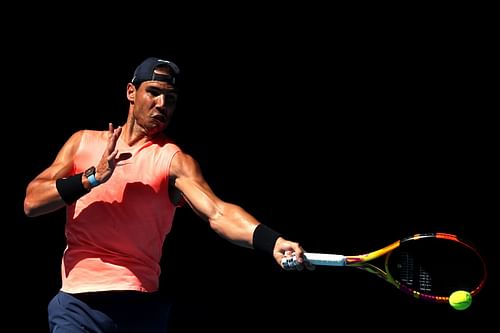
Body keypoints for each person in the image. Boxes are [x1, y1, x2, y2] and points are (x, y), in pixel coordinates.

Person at [23, 56, 314, 332]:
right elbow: (32, 201)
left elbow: (218, 212)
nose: (162, 104)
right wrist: (91, 178)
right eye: (153, 92)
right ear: (131, 92)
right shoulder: (83, 142)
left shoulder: (174, 161)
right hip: (78, 303)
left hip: (137, 304)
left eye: (171, 99)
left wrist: (272, 241)